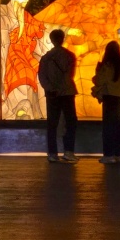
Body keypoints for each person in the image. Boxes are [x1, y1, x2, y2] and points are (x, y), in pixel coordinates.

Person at [0, 0, 80, 119]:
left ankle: (39, 110)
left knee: (39, 71)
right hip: (9, 55)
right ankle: (20, 109)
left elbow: (42, 28)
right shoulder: (1, 11)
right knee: (23, 72)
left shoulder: (25, 16)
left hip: (26, 54)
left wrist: (67, 30)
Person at [38, 29, 78, 163]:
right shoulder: (70, 55)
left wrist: (50, 88)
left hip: (52, 94)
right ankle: (68, 151)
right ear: (63, 39)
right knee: (70, 122)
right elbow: (70, 74)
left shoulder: (46, 58)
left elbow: (42, 76)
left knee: (52, 123)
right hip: (67, 92)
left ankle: (52, 153)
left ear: (51, 40)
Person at [92, 41, 120, 164]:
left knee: (108, 127)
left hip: (109, 97)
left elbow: (99, 80)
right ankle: (119, 155)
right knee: (119, 127)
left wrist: (97, 72)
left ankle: (108, 155)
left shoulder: (107, 65)